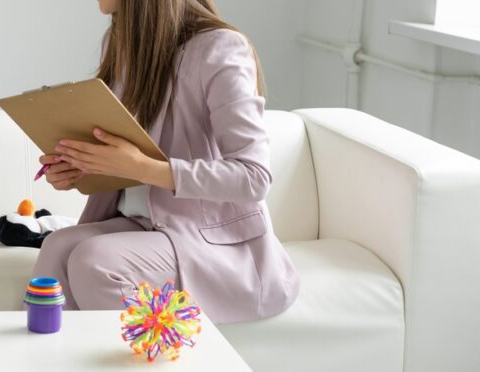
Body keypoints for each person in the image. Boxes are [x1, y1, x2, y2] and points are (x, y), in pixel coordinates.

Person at [32, 0, 299, 324]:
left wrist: (142, 167)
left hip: (214, 243)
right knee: (57, 246)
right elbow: (126, 149)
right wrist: (81, 167)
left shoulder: (220, 49)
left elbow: (254, 177)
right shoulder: (122, 42)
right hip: (145, 224)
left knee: (94, 260)